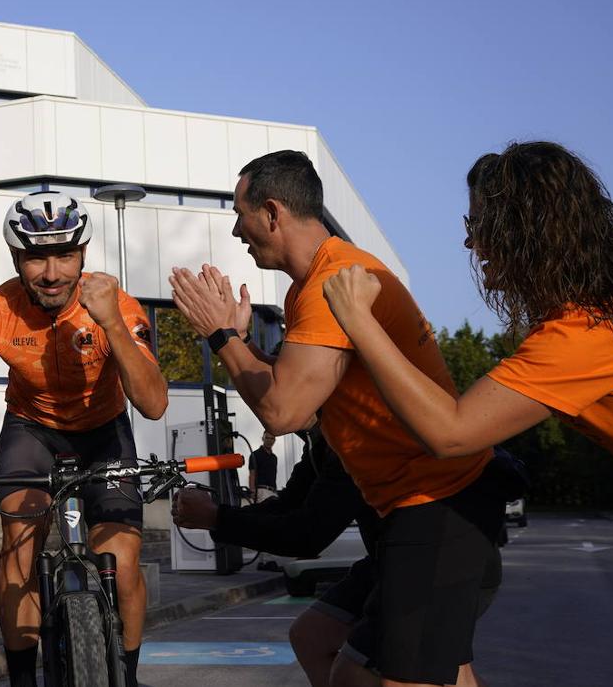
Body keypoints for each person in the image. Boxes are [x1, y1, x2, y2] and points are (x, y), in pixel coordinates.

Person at [170, 150, 504, 687]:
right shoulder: (313, 285)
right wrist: (246, 344)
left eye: (240, 214)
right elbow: (301, 382)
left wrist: (221, 337)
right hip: (408, 513)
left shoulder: (336, 282)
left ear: (273, 212)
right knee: (325, 645)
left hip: (436, 506)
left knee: (383, 677)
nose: (236, 230)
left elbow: (283, 410)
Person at [0, 191, 168, 687]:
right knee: (19, 547)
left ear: (83, 254)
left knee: (123, 561)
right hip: (31, 431)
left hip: (104, 434)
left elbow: (152, 404)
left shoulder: (117, 306)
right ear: (17, 259)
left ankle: (126, 675)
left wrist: (111, 323)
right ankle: (23, 678)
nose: (52, 272)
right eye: (36, 257)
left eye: (65, 254)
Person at [322, 141, 613, 473]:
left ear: (526, 233)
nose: (471, 243)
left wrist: (358, 318)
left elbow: (450, 435)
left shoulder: (590, 330)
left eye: (479, 227)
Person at [173, 425, 380, 687]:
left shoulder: (350, 433)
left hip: (420, 554)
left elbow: (309, 534)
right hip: (382, 557)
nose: (264, 414)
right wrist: (217, 517)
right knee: (309, 636)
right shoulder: (319, 439)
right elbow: (288, 503)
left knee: (356, 673)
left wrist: (216, 517)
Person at [249, 430, 279, 502]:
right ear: (263, 438)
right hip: (261, 491)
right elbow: (252, 474)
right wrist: (252, 491)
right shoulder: (255, 455)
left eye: (272, 438)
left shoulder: (274, 457)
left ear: (274, 440)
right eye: (267, 438)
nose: (269, 440)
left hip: (273, 491)